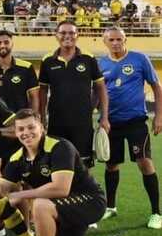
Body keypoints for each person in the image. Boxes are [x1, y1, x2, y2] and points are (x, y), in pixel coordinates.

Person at [0, 109, 145, 236]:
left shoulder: (60, 147)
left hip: (90, 201)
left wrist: (21, 195)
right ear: (16, 133)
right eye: (21, 129)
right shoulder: (17, 159)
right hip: (61, 208)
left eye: (31, 127)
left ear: (42, 127)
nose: (26, 133)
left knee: (40, 204)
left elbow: (60, 188)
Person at [98, 26, 162, 229]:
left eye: (119, 39)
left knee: (145, 163)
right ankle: (111, 207)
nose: (116, 43)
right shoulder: (100, 63)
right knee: (111, 165)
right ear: (104, 41)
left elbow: (156, 87)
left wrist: (159, 116)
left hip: (135, 122)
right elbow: (96, 93)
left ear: (125, 40)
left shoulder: (139, 59)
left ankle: (156, 213)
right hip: (111, 123)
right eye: (111, 40)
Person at [38, 20, 109, 166]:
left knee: (83, 164)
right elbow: (43, 91)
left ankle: (84, 190)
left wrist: (104, 117)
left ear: (77, 35)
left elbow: (100, 88)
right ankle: (61, 189)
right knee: (57, 162)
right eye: (63, 33)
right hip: (56, 121)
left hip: (82, 121)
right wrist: (42, 117)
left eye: (71, 32)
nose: (67, 36)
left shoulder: (88, 58)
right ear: (56, 35)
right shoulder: (47, 61)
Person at [0, 30, 39, 112]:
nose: (3, 45)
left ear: (12, 44)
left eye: (6, 42)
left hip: (20, 120)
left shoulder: (26, 67)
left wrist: (35, 116)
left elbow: (34, 97)